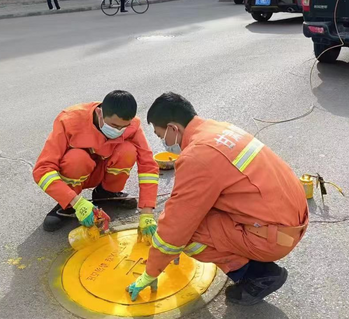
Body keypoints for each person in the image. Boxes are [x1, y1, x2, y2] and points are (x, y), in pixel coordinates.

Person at [128, 92, 309, 306]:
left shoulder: (198, 156)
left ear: (173, 128)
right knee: (193, 217)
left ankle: (257, 275)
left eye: (161, 136)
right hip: (291, 218)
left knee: (189, 233)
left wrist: (151, 272)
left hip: (274, 235)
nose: (164, 143)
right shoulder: (217, 129)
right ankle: (256, 264)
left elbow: (176, 225)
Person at [32, 91, 159, 232]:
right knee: (76, 158)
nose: (119, 130)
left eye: (123, 127)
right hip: (79, 171)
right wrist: (75, 202)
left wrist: (147, 212)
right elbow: (42, 169)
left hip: (103, 169)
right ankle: (68, 205)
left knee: (127, 151)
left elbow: (148, 165)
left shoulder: (132, 125)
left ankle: (106, 193)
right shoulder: (69, 120)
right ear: (99, 113)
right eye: (114, 126)